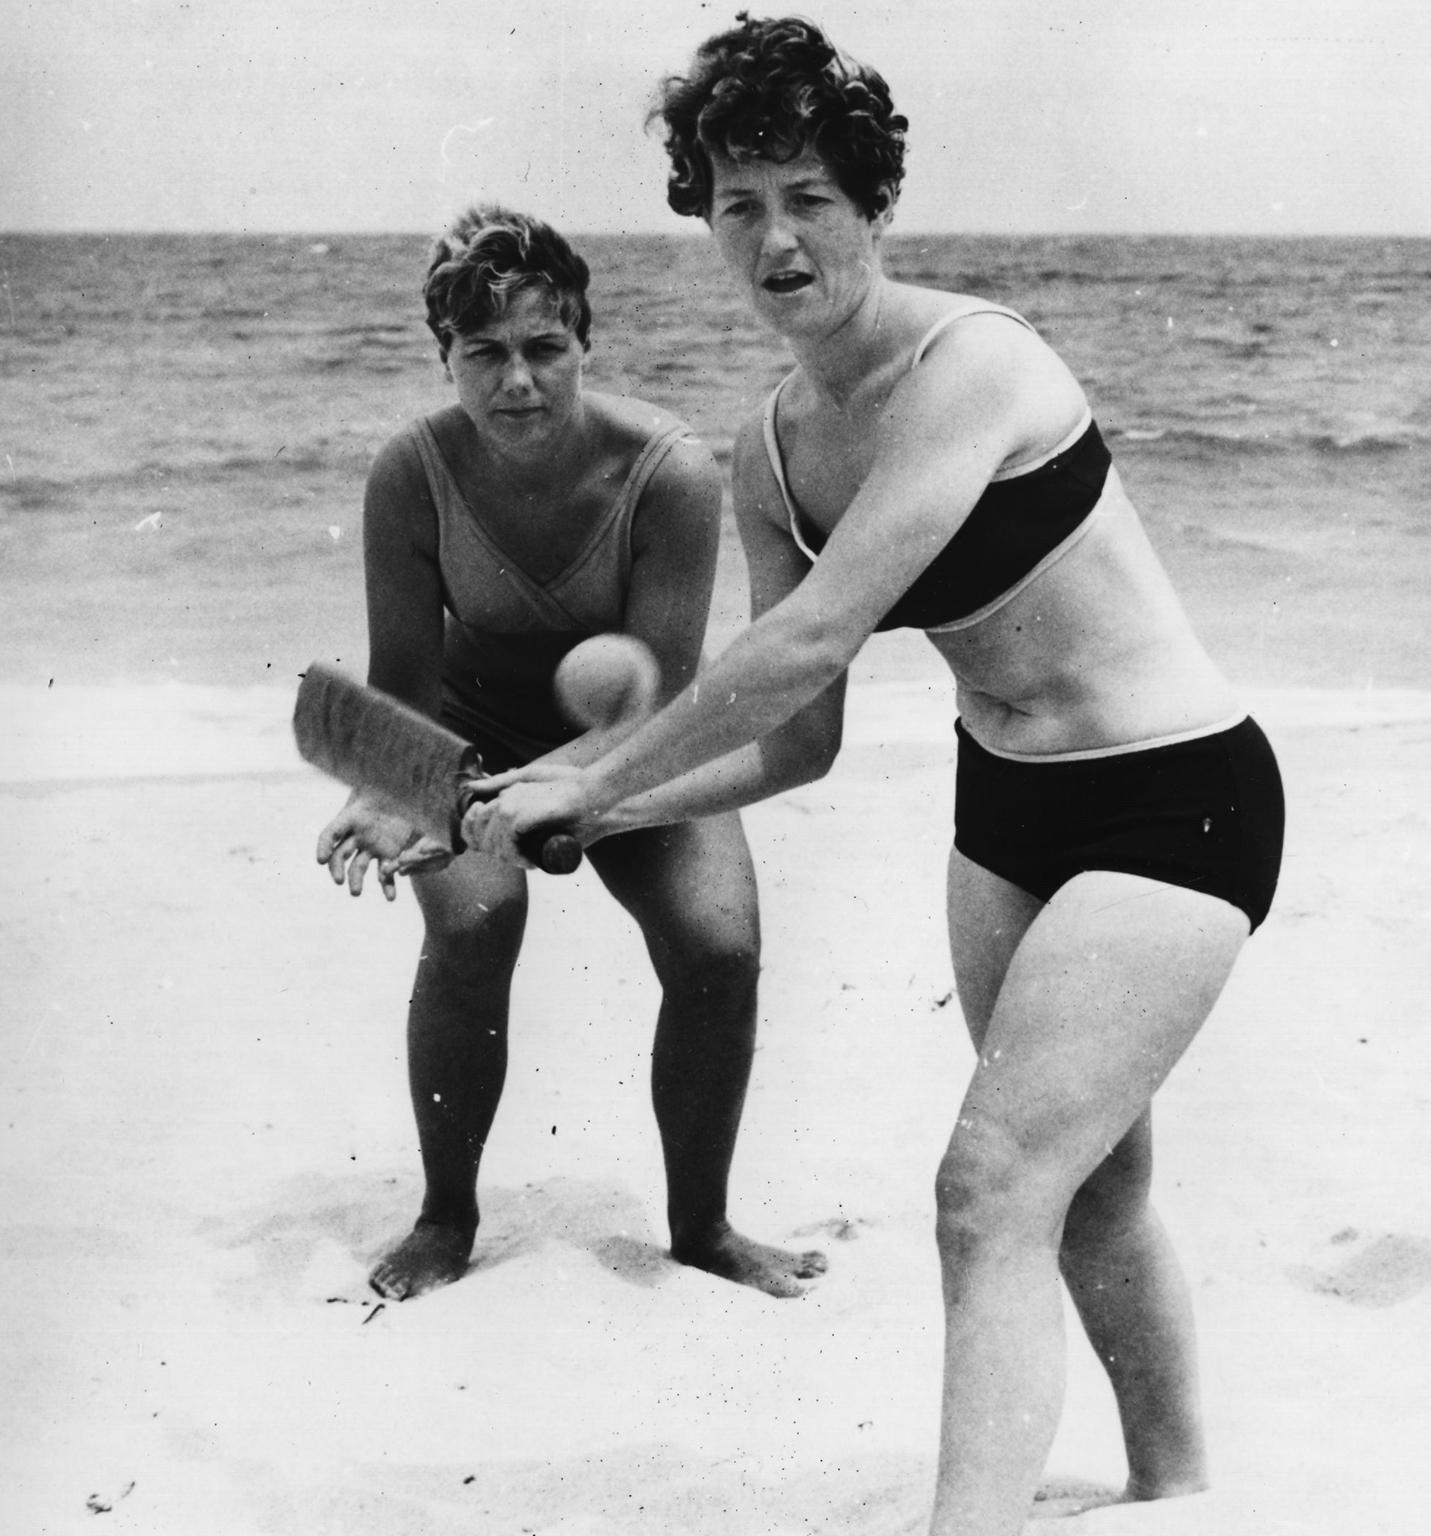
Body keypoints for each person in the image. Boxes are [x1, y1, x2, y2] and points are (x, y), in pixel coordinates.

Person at [463, 17, 1284, 1533]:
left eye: (809, 198)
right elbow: (802, 734)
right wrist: (596, 801)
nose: (775, 238)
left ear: (874, 203)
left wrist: (584, 780)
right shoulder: (774, 445)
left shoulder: (975, 365)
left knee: (985, 1190)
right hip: (1012, 818)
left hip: (1180, 798)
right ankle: (1181, 1497)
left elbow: (813, 637)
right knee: (1085, 1186)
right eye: (737, 204)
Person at [314, 204, 827, 1303]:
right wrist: (384, 784)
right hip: (468, 738)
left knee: (718, 948)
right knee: (480, 921)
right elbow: (400, 682)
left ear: (585, 343)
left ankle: (701, 1227)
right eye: (483, 355)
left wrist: (574, 790)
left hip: (635, 741)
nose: (517, 383)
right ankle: (445, 1218)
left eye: (544, 348)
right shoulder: (410, 472)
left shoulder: (667, 471)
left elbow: (658, 690)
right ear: (443, 357)